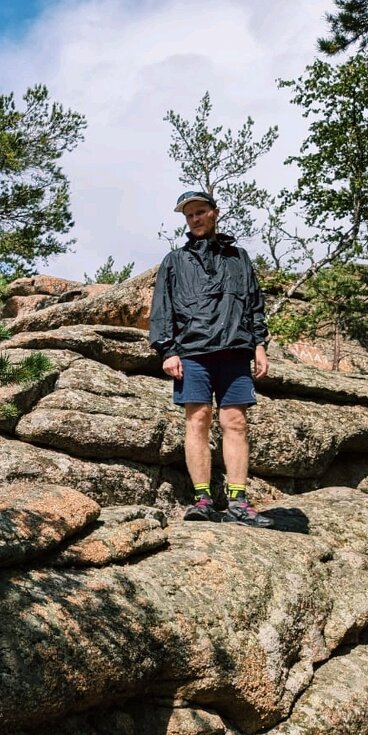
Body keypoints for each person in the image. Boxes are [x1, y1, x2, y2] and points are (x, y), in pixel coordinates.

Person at [148, 190, 273, 527]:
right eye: (189, 215)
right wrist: (167, 350)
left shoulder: (239, 257)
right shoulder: (175, 261)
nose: (195, 219)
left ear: (214, 213)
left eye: (200, 212)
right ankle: (202, 499)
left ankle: (238, 502)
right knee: (198, 420)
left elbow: (254, 303)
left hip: (235, 350)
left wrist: (259, 344)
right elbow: (162, 309)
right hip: (192, 354)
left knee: (236, 423)